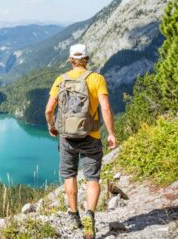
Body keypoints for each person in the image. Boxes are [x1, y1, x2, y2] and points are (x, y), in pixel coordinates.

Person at [44, 43, 117, 239]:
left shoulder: (61, 79)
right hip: (91, 136)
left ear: (71, 60)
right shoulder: (97, 79)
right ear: (87, 59)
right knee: (92, 178)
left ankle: (73, 214)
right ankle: (90, 216)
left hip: (67, 136)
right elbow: (106, 109)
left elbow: (49, 110)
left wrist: (52, 126)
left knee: (70, 175)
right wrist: (111, 133)